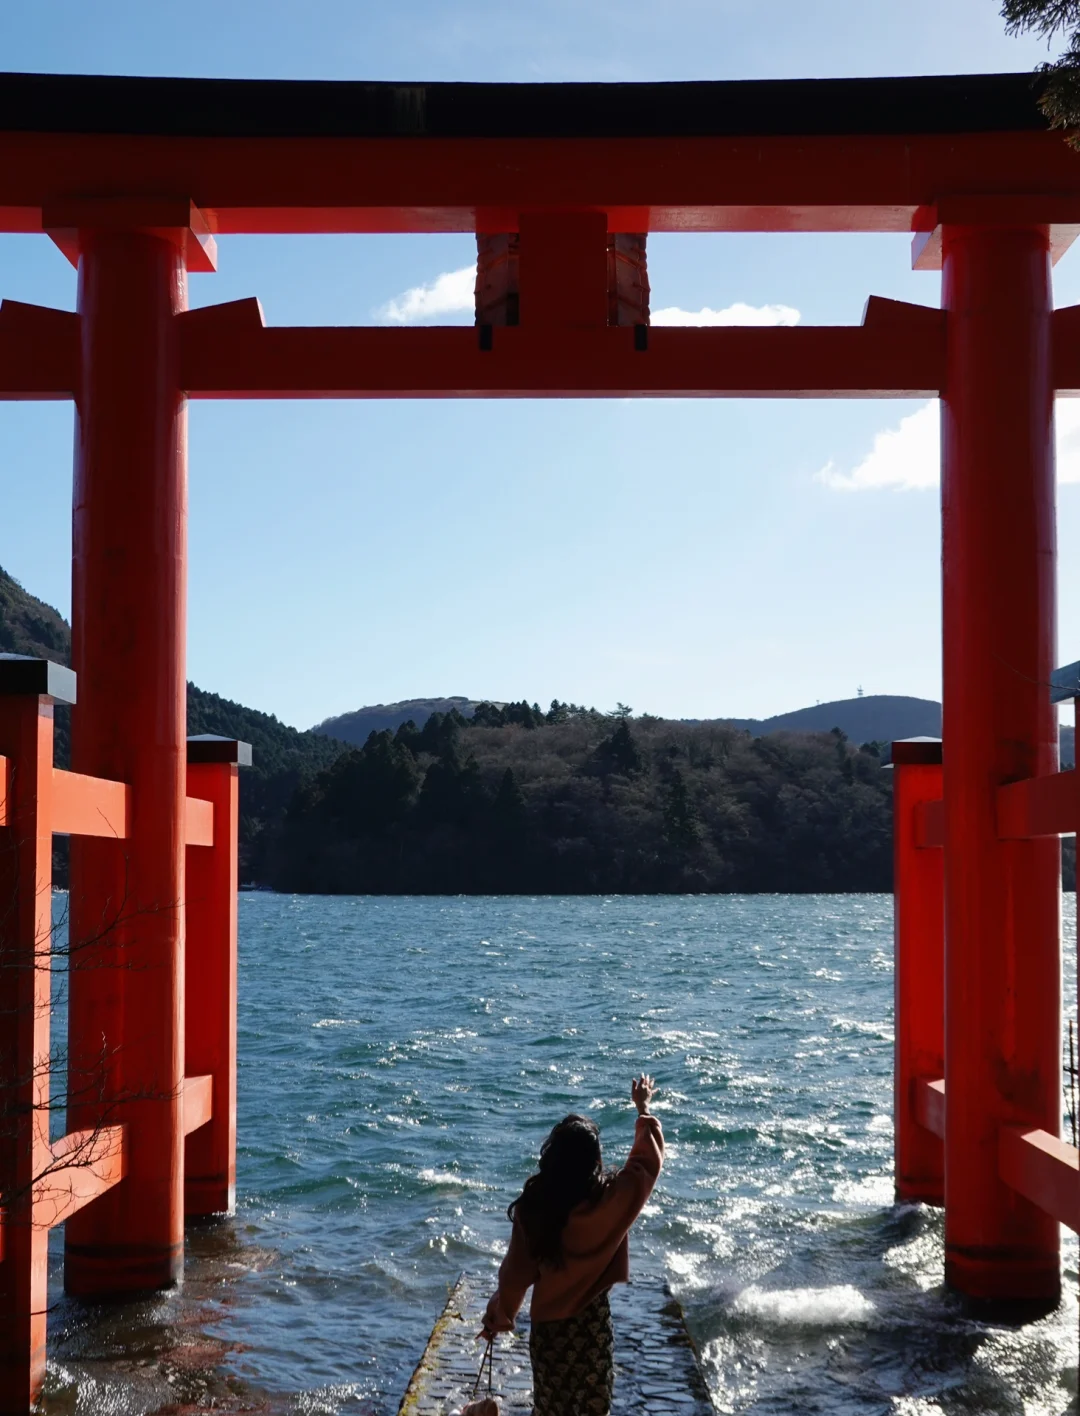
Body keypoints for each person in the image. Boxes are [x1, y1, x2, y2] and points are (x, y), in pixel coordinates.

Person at [480, 1074, 664, 1416]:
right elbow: (645, 1166)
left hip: (551, 1332)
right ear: (594, 1162)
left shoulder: (533, 1209)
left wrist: (500, 1316)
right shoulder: (610, 1203)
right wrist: (642, 1108)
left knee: (551, 1409)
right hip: (591, 1328)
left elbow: (515, 1276)